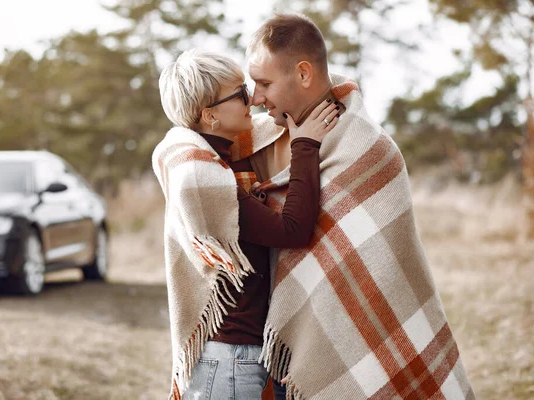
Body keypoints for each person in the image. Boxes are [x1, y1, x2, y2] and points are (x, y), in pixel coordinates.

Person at [231, 13, 476, 399]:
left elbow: (384, 273)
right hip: (279, 352)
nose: (256, 98)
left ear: (304, 74)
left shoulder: (370, 152)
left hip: (363, 347)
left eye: (264, 84)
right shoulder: (257, 139)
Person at [152, 49, 342, 399]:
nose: (253, 99)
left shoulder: (217, 162)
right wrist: (305, 145)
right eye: (240, 93)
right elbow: (293, 231)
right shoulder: (203, 177)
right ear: (209, 115)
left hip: (228, 359)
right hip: (230, 363)